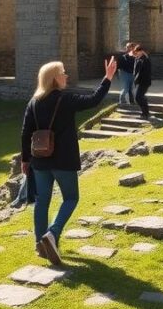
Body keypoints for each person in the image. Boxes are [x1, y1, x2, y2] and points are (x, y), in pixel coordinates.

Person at [21, 56, 118, 265]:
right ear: (55, 78)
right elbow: (94, 99)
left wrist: (25, 159)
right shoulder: (65, 99)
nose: (66, 75)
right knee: (71, 198)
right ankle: (53, 234)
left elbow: (25, 132)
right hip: (63, 160)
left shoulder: (34, 102)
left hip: (40, 160)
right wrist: (108, 78)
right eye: (63, 72)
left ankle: (40, 244)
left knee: (41, 202)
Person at [132, 45, 155, 121]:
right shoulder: (138, 59)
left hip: (144, 81)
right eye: (136, 52)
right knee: (139, 97)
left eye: (137, 51)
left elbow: (145, 72)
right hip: (139, 81)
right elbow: (136, 70)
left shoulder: (145, 59)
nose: (136, 53)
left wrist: (138, 78)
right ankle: (145, 112)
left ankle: (145, 112)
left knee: (138, 97)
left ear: (141, 51)